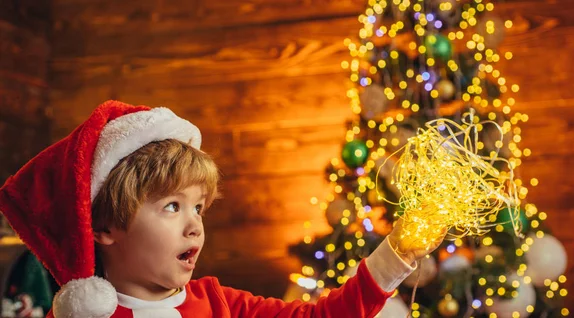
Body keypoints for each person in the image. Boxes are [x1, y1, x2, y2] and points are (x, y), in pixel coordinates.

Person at [0, 100, 445, 317]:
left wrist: (396, 255)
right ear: (107, 226)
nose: (194, 225)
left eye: (199, 208)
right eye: (172, 206)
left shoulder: (220, 304)